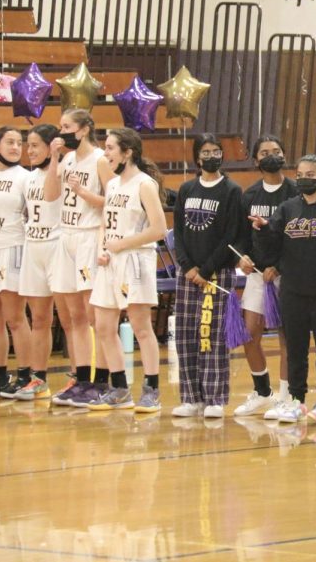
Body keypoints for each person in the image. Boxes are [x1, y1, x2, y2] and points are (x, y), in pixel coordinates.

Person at [251, 155, 316, 424]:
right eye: (300, 173)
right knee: (295, 348)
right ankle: (297, 399)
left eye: (311, 174)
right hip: (292, 290)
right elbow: (271, 244)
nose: (304, 178)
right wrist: (262, 229)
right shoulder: (288, 208)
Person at [87, 129, 167, 411]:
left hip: (136, 260)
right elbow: (104, 223)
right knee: (104, 326)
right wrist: (103, 249)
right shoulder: (112, 185)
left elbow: (158, 229)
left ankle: (152, 389)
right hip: (112, 260)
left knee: (141, 328)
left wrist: (121, 244)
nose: (105, 154)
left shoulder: (145, 184)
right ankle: (119, 388)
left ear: (127, 151)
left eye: (110, 148)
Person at [171, 134, 244, 419]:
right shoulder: (187, 189)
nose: (212, 155)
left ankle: (215, 398)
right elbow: (178, 231)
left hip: (217, 274)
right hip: (187, 275)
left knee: (212, 336)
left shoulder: (231, 191)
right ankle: (191, 398)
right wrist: (188, 266)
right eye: (206, 151)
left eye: (217, 151)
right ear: (198, 157)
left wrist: (206, 270)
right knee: (186, 335)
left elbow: (232, 235)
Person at [46, 109, 114, 408]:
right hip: (67, 235)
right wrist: (53, 159)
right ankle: (81, 379)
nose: (62, 132)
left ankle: (101, 381)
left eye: (67, 126)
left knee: (92, 315)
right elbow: (50, 195)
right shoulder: (68, 159)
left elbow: (115, 201)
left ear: (84, 129)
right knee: (73, 316)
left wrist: (83, 192)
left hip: (89, 236)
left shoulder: (99, 159)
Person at [231, 136, 297, 417]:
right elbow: (242, 237)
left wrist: (279, 265)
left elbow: (298, 237)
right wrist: (242, 257)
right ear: (256, 160)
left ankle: (286, 396)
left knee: (287, 338)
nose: (272, 155)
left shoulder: (294, 192)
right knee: (249, 334)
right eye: (265, 152)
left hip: (286, 274)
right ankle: (262, 391)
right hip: (258, 275)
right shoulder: (250, 195)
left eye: (277, 151)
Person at [15, 125, 71, 401]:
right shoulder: (27, 178)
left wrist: (56, 158)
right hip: (33, 247)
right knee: (39, 319)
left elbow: (55, 196)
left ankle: (79, 378)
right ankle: (38, 379)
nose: (30, 151)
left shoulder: (62, 171)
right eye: (28, 146)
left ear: (51, 146)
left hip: (57, 246)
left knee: (71, 320)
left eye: (35, 145)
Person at [0, 127, 33, 397]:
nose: (16, 147)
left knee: (15, 317)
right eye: (10, 142)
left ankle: (25, 375)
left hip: (11, 247)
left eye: (19, 143)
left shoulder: (25, 177)